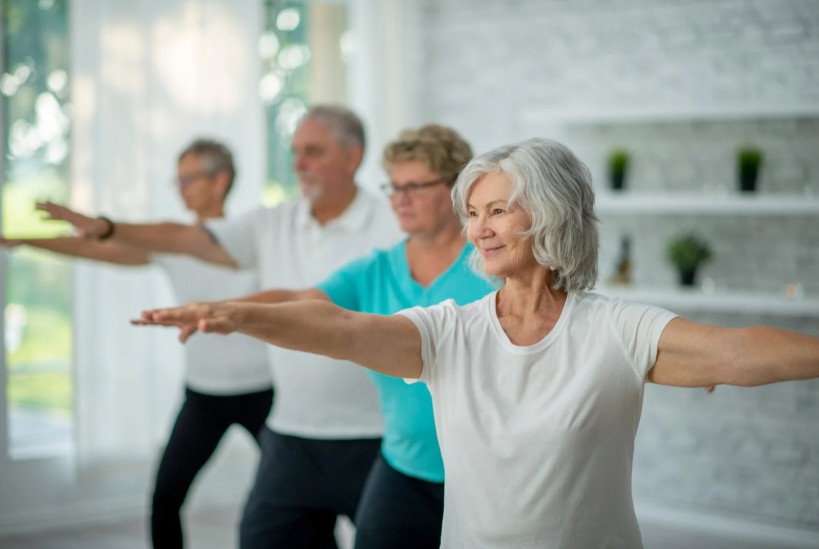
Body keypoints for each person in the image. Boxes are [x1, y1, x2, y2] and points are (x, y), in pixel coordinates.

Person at [134, 137, 819, 548]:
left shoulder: (617, 329)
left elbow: (738, 351)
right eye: (471, 212)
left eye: (497, 209)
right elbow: (342, 327)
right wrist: (239, 314)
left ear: (548, 215)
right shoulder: (447, 330)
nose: (479, 227)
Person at [38, 106, 404, 548]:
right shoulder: (271, 222)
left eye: (313, 152)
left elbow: (309, 301)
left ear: (352, 157)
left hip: (363, 430)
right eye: (295, 152)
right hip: (285, 429)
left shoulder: (392, 223)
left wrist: (228, 312)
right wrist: (103, 227)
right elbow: (183, 237)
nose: (298, 164)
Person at [153, 124, 494, 548]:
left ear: (456, 190)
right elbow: (306, 300)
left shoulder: (489, 268)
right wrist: (233, 312)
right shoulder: (376, 268)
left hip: (481, 472)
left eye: (416, 187)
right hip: (404, 467)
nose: (400, 199)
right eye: (393, 186)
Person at [0, 139, 274, 549]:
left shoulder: (253, 240)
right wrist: (27, 240)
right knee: (165, 499)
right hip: (203, 397)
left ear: (220, 181)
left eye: (189, 178)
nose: (180, 188)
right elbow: (93, 248)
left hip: (263, 394)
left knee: (297, 495)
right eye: (177, 180)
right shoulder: (169, 247)